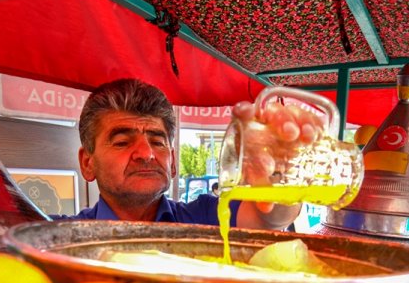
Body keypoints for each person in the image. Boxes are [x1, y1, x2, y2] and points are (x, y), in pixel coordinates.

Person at [58, 78, 307, 230]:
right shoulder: (58, 236)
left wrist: (280, 167)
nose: (146, 153)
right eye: (122, 142)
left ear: (173, 163)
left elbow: (270, 218)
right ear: (87, 163)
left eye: (158, 142)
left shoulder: (206, 217)